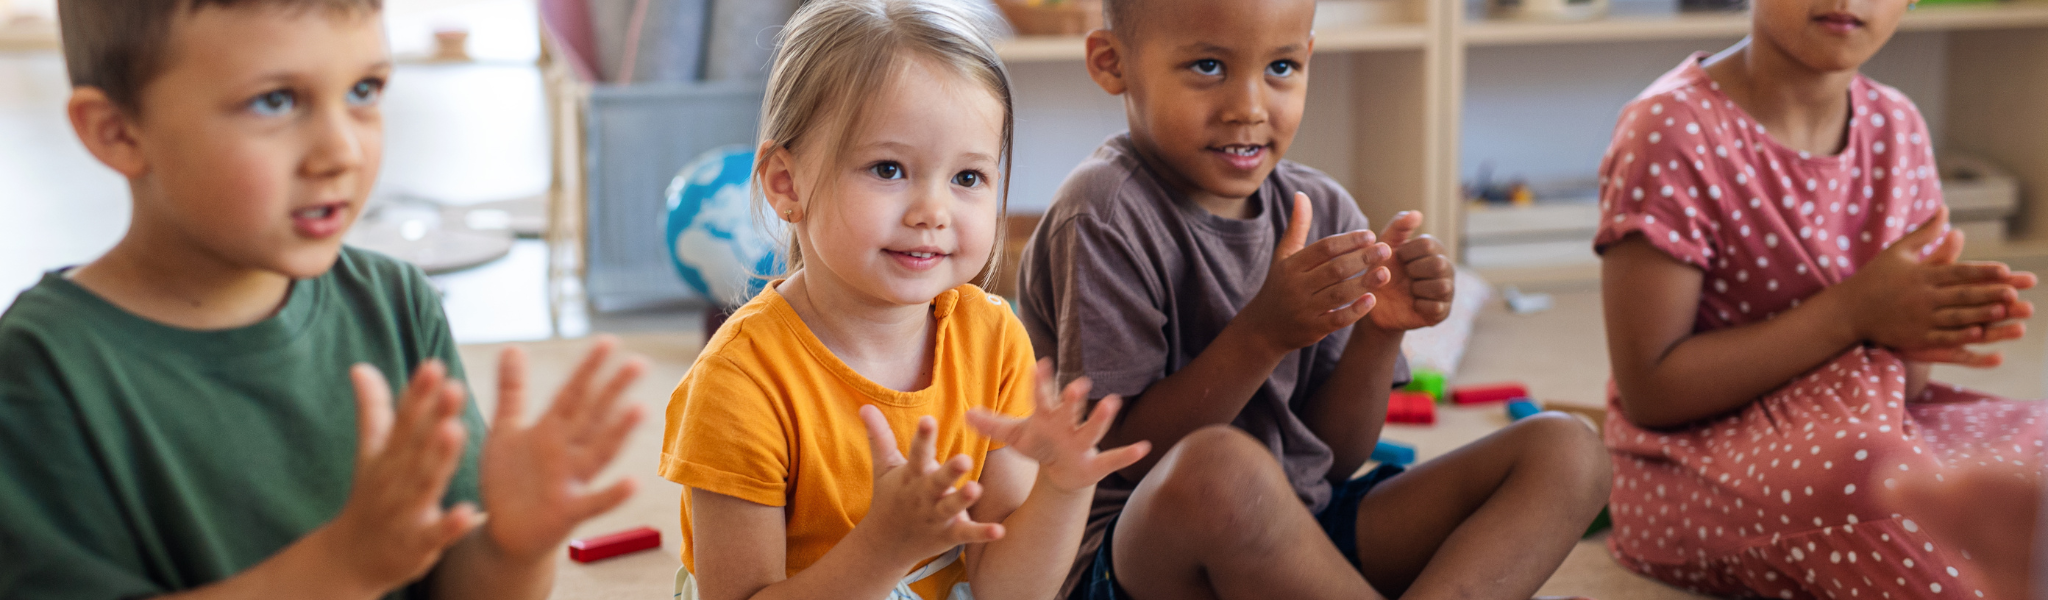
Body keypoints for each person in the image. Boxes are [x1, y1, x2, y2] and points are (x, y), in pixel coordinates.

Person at [0, 1, 647, 598]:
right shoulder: (44, 368)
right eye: (275, 100)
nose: (341, 150)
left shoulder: (395, 303)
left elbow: (454, 584)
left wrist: (512, 548)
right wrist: (342, 566)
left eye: (364, 91)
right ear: (117, 132)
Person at [1015, 0, 1614, 598]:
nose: (1249, 107)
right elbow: (1125, 456)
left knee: (1569, 450)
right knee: (1219, 467)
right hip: (1137, 560)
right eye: (1207, 66)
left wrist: (1380, 333)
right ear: (1111, 62)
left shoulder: (1322, 210)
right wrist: (1262, 335)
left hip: (1303, 530)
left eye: (1280, 67)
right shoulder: (1101, 213)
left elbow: (1331, 460)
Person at [659, 1, 1148, 599]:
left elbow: (1007, 590)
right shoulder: (739, 382)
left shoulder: (993, 340)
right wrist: (884, 547)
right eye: (888, 168)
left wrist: (1064, 489)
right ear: (786, 184)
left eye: (967, 178)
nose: (932, 213)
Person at [1593, 0, 2044, 593]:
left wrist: (1923, 324)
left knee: (2026, 460)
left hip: (1869, 425)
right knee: (1877, 481)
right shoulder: (1670, 126)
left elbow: (1904, 388)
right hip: (1695, 459)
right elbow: (1651, 391)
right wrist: (1855, 312)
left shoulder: (1898, 124)